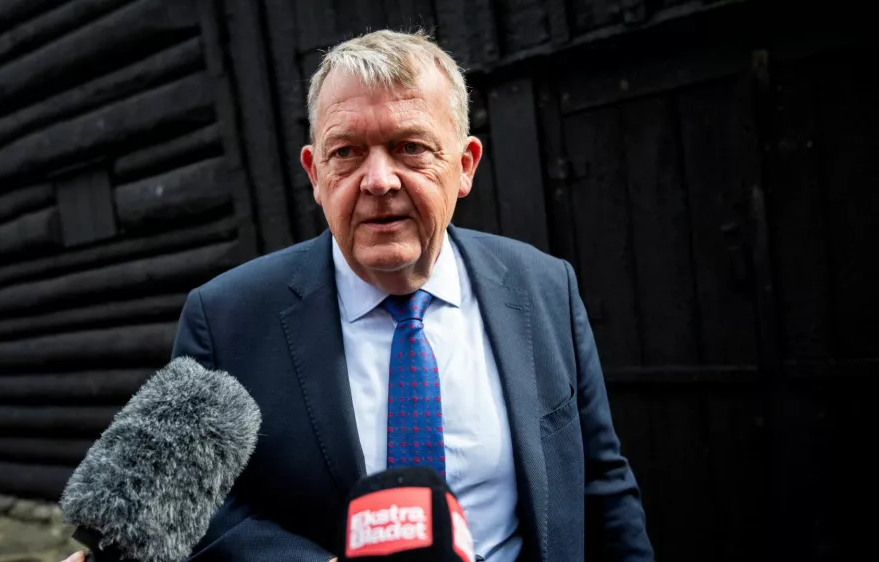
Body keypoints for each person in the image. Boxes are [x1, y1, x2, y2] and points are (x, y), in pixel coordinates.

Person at [63, 29, 652, 562]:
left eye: (410, 147)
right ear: (315, 173)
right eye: (346, 152)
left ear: (465, 164)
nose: (378, 180)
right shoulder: (228, 317)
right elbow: (192, 509)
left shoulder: (545, 287)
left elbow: (601, 482)